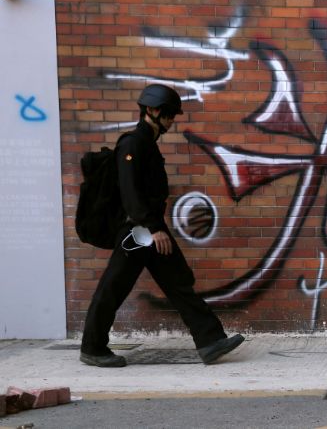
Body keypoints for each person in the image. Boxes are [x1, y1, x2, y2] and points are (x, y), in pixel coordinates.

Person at [80, 84, 245, 367]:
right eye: (168, 114)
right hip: (138, 231)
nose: (171, 120)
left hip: (148, 229)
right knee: (113, 287)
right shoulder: (132, 144)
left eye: (173, 115)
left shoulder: (147, 144)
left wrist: (155, 227)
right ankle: (92, 348)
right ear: (152, 111)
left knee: (179, 282)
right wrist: (154, 228)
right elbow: (131, 193)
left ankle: (210, 340)